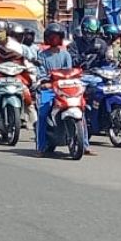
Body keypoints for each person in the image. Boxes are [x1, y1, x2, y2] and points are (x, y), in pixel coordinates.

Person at [32, 23, 94, 156]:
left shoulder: (66, 54)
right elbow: (41, 73)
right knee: (43, 114)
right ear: (48, 38)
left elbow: (69, 72)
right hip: (49, 89)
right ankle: (40, 146)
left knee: (81, 109)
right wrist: (45, 82)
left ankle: (85, 145)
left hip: (65, 88)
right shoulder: (42, 56)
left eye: (57, 37)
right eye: (52, 37)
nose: (54, 39)